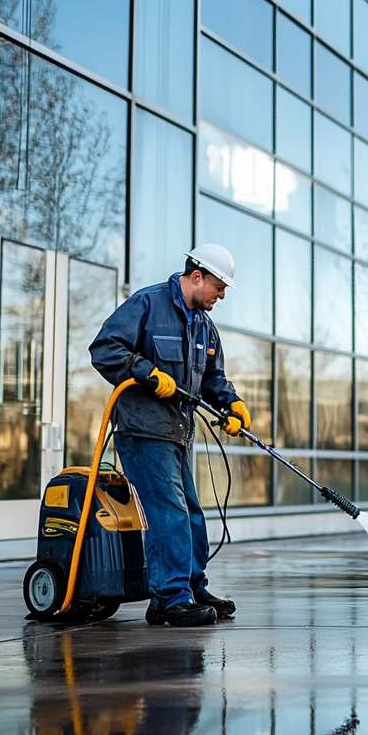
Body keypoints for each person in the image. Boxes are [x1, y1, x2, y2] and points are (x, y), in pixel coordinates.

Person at [89, 244, 251, 627]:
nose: (222, 295)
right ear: (197, 276)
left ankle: (191, 588)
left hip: (179, 434)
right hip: (143, 432)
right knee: (169, 512)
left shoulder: (203, 326)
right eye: (219, 286)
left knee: (191, 513)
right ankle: (168, 599)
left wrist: (233, 404)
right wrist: (147, 373)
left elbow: (212, 379)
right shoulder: (148, 305)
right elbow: (104, 348)